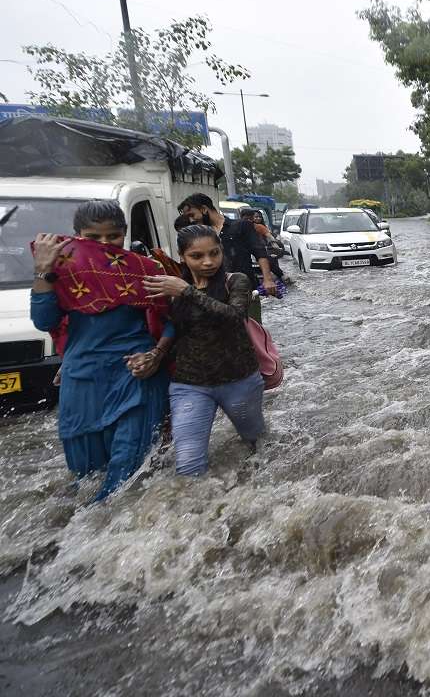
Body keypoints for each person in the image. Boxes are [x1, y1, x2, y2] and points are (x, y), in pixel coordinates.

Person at [30, 201, 171, 502]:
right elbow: (44, 321)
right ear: (77, 235)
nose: (105, 245)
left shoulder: (142, 270)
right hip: (82, 381)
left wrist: (156, 356)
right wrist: (43, 271)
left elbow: (174, 320)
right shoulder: (61, 272)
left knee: (128, 475)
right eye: (93, 238)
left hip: (135, 373)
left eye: (114, 237)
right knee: (86, 473)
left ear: (125, 234)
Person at [143, 225, 265, 476]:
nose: (208, 262)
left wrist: (186, 292)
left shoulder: (235, 281)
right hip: (189, 384)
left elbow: (234, 316)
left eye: (214, 253)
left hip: (238, 380)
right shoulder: (172, 287)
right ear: (182, 257)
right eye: (197, 256)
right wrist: (155, 354)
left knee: (256, 442)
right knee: (188, 464)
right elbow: (171, 328)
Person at [177, 194, 275, 321]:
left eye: (192, 215)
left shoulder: (240, 226)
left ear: (204, 209)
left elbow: (260, 252)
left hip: (245, 292)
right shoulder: (202, 235)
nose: (191, 220)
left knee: (250, 331)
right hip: (214, 293)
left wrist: (267, 279)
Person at [241, 208, 284, 281]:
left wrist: (275, 244)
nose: (248, 221)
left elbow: (269, 237)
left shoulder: (259, 227)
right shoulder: (238, 227)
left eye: (259, 217)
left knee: (269, 261)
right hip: (245, 253)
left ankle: (282, 276)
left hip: (259, 250)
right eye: (255, 217)